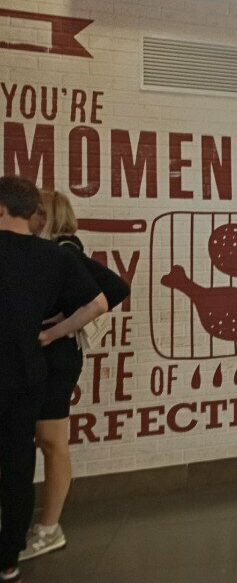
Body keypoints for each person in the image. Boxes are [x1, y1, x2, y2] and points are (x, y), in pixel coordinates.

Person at [0, 176, 107, 583]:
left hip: (27, 367)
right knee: (18, 462)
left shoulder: (61, 251)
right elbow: (99, 301)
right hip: (28, 370)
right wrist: (50, 333)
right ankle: (9, 556)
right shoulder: (52, 256)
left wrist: (55, 333)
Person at [19, 190, 130, 562]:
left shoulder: (65, 251)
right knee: (40, 437)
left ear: (47, 215)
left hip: (56, 358)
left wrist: (55, 331)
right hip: (41, 357)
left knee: (51, 440)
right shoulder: (44, 252)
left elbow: (114, 290)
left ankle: (49, 527)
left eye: (35, 212)